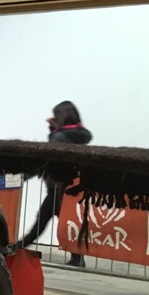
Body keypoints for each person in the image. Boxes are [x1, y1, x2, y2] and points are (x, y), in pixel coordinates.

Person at [16, 101, 92, 266]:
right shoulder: (79, 136)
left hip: (56, 188)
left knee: (43, 222)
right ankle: (77, 258)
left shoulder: (59, 137)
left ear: (63, 117)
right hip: (68, 188)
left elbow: (49, 159)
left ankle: (16, 248)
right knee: (57, 221)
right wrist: (55, 130)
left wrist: (24, 176)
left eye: (56, 116)